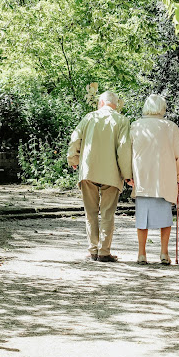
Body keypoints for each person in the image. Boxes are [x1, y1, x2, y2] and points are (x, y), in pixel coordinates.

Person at [67, 91, 132, 262]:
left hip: (89, 171)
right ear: (115, 104)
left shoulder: (88, 118)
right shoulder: (122, 120)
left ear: (101, 102)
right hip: (111, 173)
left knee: (91, 213)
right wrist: (127, 175)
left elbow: (75, 139)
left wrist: (73, 159)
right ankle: (104, 252)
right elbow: (124, 149)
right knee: (107, 213)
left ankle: (92, 250)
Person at [130, 94, 179, 265]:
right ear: (162, 108)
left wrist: (128, 175)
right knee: (165, 218)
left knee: (142, 218)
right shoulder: (170, 127)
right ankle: (164, 253)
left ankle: (141, 254)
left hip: (142, 178)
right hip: (164, 178)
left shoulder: (136, 126)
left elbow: (128, 152)